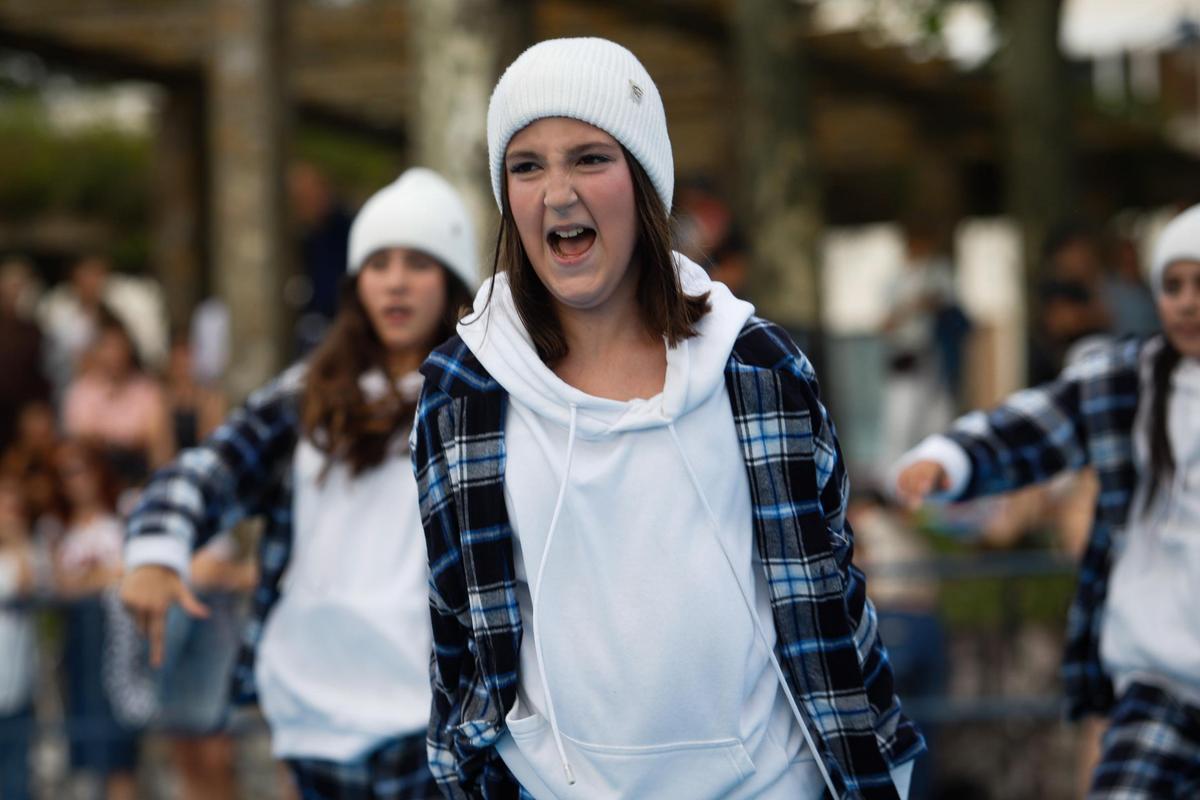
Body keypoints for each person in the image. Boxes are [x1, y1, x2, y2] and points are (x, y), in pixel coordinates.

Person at [412, 38, 922, 800]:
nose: (557, 194)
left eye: (590, 159)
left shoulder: (757, 368)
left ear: (645, 181)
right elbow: (457, 631)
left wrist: (880, 774)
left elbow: (830, 596)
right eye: (527, 166)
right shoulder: (463, 392)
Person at [120, 167, 478, 800]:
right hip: (312, 707)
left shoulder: (479, 398)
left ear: (452, 281)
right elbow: (213, 467)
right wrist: (156, 546)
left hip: (431, 717)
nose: (396, 281)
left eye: (419, 263)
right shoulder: (311, 391)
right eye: (379, 263)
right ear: (355, 283)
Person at [894, 202, 1200, 798]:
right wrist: (952, 458)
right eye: (1173, 286)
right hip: (1159, 682)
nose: (1187, 302)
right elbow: (1034, 423)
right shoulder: (1127, 380)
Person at [53, 439, 139, 800]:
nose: (75, 481)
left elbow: (131, 572)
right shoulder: (57, 528)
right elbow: (60, 584)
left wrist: (89, 579)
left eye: (80, 470)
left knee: (120, 755)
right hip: (80, 649)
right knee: (88, 754)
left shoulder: (124, 514)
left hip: (120, 644)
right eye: (65, 474)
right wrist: (99, 578)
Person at [62, 310, 173, 491]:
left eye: (119, 347)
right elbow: (79, 440)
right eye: (108, 347)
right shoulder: (81, 391)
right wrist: (123, 441)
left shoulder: (148, 391)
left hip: (139, 476)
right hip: (96, 480)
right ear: (97, 351)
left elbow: (157, 443)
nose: (114, 355)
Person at [0, 474, 37, 800]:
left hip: (14, 683)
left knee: (15, 777)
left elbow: (29, 585)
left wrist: (17, 538)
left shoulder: (26, 551)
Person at [0, 257, 50, 452]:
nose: (16, 293)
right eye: (11, 287)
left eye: (21, 287)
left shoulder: (34, 331)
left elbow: (41, 373)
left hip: (23, 409)